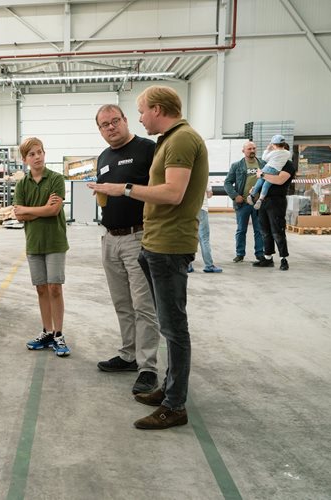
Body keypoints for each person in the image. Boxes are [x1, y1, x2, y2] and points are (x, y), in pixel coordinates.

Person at [89, 85, 208, 430]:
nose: (139, 118)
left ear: (155, 109)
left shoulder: (169, 142)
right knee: (136, 308)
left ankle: (166, 391)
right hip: (132, 239)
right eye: (104, 124)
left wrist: (122, 189)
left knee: (167, 323)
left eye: (137, 113)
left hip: (159, 241)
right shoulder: (157, 144)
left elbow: (173, 192)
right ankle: (154, 378)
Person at [93, 104, 161, 395]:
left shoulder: (148, 149)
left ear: (125, 120)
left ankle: (148, 367)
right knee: (122, 302)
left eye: (114, 121)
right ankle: (129, 355)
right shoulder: (104, 157)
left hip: (138, 236)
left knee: (144, 305)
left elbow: (162, 190)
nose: (110, 127)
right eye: (104, 124)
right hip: (109, 238)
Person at [14, 137, 71, 357]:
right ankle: (47, 332)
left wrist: (29, 211)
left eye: (40, 152)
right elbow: (18, 216)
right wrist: (40, 208)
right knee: (41, 288)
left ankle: (58, 334)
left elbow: (53, 211)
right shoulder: (22, 184)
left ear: (44, 154)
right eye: (32, 154)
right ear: (25, 159)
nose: (37, 157)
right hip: (34, 243)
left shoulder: (56, 179)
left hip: (55, 242)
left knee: (55, 288)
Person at [253, 141, 295, 271]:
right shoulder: (271, 163)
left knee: (277, 231)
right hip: (264, 201)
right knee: (265, 231)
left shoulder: (288, 165)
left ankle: (284, 259)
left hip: (277, 201)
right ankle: (268, 258)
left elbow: (279, 180)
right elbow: (261, 180)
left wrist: (263, 175)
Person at [224, 142, 265, 263]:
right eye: (249, 149)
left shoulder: (263, 164)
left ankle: (259, 253)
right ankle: (240, 253)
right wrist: (235, 196)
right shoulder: (237, 166)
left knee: (259, 230)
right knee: (241, 229)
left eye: (254, 148)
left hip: (258, 203)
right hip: (243, 204)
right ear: (243, 151)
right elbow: (227, 183)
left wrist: (262, 195)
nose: (252, 150)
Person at [247, 134, 291, 209]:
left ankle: (252, 195)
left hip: (268, 168)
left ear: (274, 145)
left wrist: (267, 149)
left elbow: (264, 158)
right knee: (266, 185)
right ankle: (260, 199)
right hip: (276, 171)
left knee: (260, 181)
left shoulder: (274, 152)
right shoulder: (288, 153)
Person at [194, 184, 222, 273]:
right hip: (201, 209)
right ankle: (209, 265)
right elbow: (209, 194)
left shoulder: (186, 175)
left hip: (190, 210)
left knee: (191, 238)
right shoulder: (203, 176)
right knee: (204, 239)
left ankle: (188, 265)